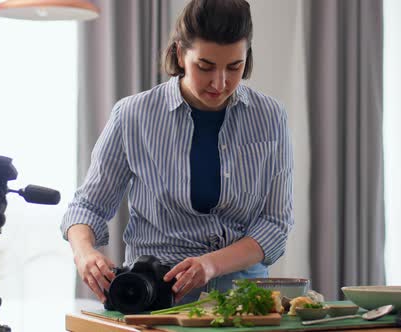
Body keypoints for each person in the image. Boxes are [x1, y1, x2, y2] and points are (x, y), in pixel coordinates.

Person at [61, 0, 294, 305]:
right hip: (154, 294)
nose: (220, 83)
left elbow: (275, 224)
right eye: (205, 66)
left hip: (243, 297)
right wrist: (85, 254)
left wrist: (211, 264)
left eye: (234, 67)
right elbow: (88, 207)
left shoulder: (270, 116)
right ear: (181, 54)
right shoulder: (133, 115)